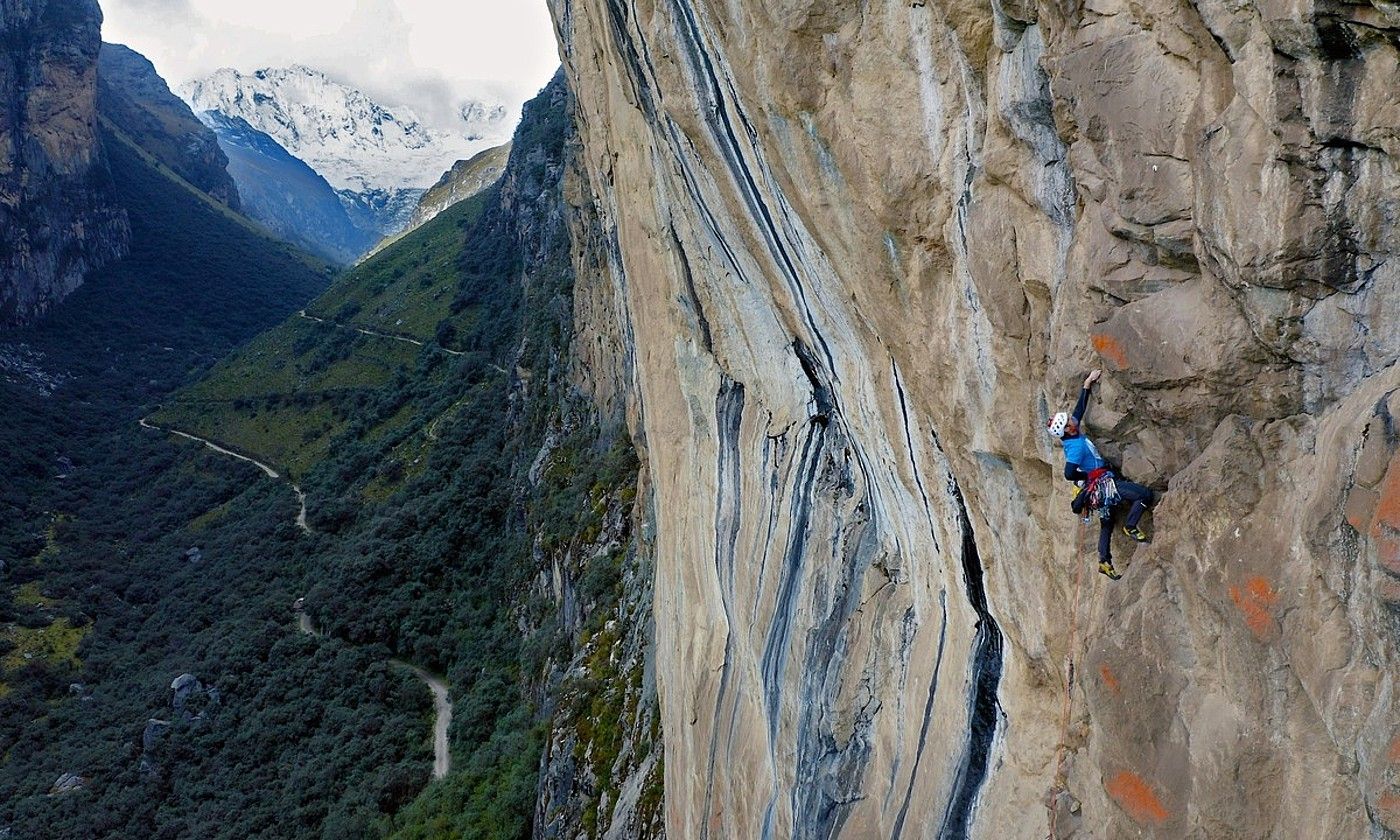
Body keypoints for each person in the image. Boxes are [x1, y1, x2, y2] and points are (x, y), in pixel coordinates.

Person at [1047, 369, 1153, 580]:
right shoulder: (1075, 446)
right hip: (1102, 486)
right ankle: (1131, 526)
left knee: (1107, 521)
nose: (1072, 419)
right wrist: (1090, 477)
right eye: (1068, 421)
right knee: (1144, 495)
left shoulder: (1071, 433)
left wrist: (1087, 384)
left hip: (1097, 486)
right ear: (1066, 430)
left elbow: (1079, 410)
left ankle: (1104, 562)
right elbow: (1069, 473)